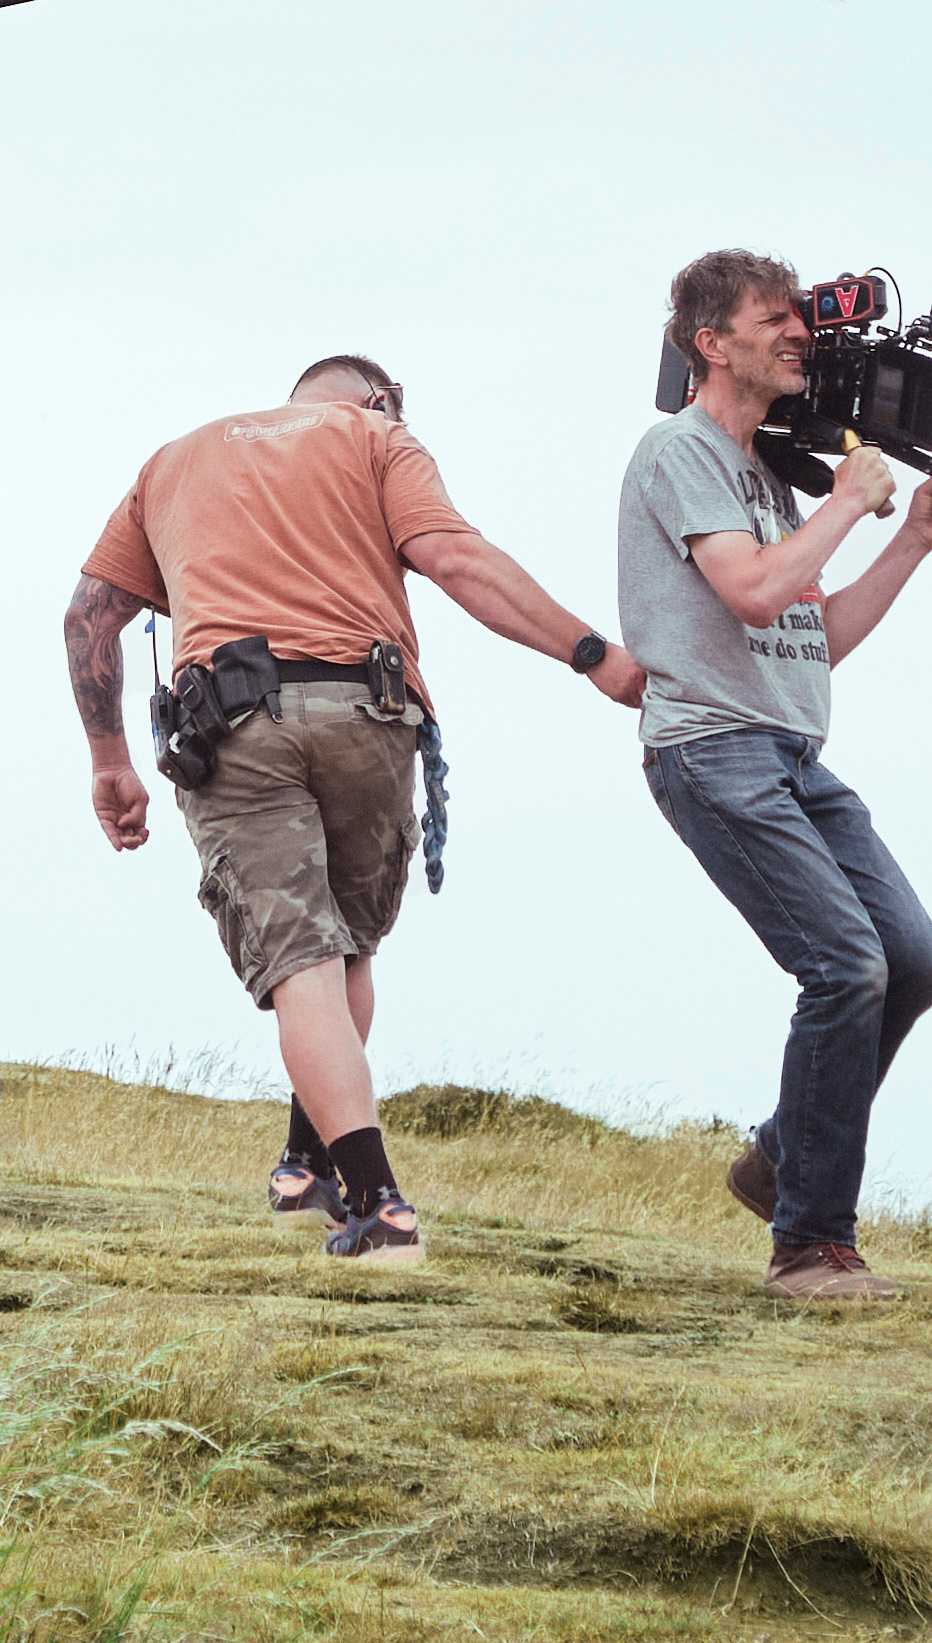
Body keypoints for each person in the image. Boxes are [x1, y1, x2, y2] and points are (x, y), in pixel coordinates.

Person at [65, 355, 645, 1267]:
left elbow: (90, 617)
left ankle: (380, 1208)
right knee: (343, 953)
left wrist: (109, 758)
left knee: (302, 962)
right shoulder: (379, 436)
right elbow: (453, 558)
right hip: (367, 709)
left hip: (232, 723)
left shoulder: (172, 460)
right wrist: (592, 652)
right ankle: (309, 1169)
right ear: (378, 400)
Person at [617, 252, 932, 1305]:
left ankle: (779, 1155)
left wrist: (904, 537)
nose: (796, 337)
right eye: (771, 321)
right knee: (843, 965)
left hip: (791, 751)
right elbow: (756, 592)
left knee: (908, 961)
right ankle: (808, 1245)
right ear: (709, 343)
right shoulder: (674, 451)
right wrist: (854, 503)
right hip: (710, 748)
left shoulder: (770, 485)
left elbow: (814, 636)